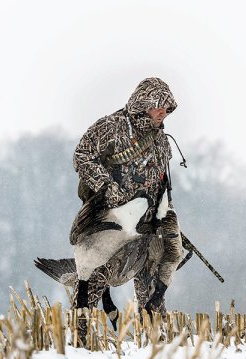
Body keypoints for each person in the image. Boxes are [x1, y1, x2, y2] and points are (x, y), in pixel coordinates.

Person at [69, 77, 184, 337]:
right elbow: (82, 155)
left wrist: (165, 215)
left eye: (167, 107)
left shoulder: (162, 141)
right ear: (143, 104)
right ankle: (78, 337)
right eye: (158, 105)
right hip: (111, 222)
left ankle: (156, 343)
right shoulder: (111, 127)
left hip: (147, 225)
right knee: (94, 279)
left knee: (153, 286)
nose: (163, 111)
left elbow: (162, 181)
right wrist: (107, 187)